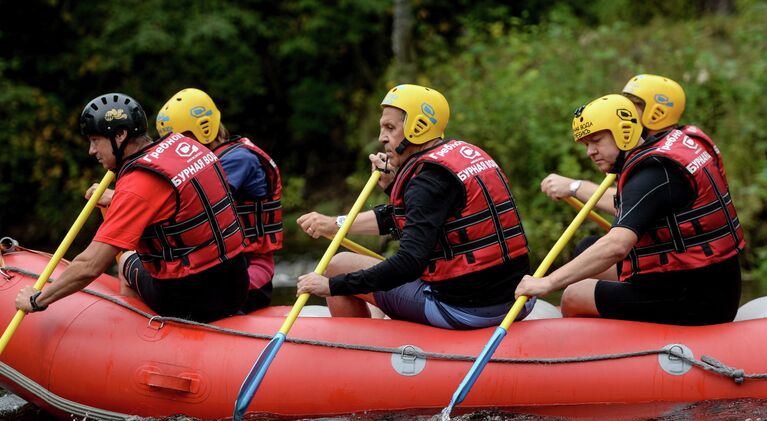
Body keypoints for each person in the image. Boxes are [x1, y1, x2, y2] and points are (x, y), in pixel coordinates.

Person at [295, 84, 533, 329]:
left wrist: (331, 286)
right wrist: (389, 189)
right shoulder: (466, 155)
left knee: (338, 266)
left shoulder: (427, 181)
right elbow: (424, 216)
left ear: (417, 128)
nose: (382, 138)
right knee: (366, 274)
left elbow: (408, 263)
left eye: (390, 128)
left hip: (464, 310)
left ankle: (360, 350)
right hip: (519, 299)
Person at [15, 93, 249, 322]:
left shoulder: (138, 183)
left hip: (191, 300)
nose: (91, 151)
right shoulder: (187, 146)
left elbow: (90, 265)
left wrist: (37, 300)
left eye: (95, 140)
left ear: (120, 135)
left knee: (127, 258)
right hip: (237, 284)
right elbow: (174, 204)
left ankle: (137, 333)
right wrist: (116, 199)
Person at [515, 94, 744, 326]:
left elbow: (616, 246)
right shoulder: (665, 147)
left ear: (623, 132)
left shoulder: (652, 174)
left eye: (597, 141)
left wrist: (548, 282)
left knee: (573, 295)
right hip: (697, 277)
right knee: (587, 248)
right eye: (586, 144)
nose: (590, 152)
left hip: (699, 299)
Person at [155, 88, 282, 312]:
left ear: (205, 130)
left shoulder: (239, 159)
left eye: (181, 139)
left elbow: (199, 199)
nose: (175, 149)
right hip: (220, 267)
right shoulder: (205, 163)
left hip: (250, 269)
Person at [540, 74, 718, 215]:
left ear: (657, 113)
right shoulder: (649, 148)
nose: (625, 111)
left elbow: (629, 202)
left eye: (633, 105)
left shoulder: (672, 152)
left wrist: (575, 187)